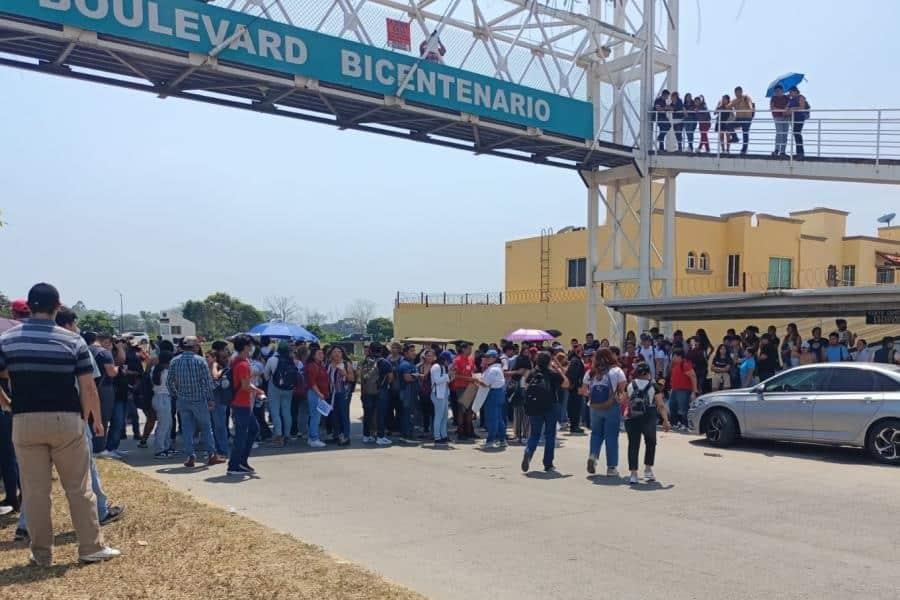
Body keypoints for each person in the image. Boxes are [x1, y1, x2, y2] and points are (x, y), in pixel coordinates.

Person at [0, 283, 121, 565]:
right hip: (66, 418)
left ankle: (41, 554)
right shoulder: (71, 341)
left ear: (29, 307)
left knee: (34, 490)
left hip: (25, 419)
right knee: (78, 487)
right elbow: (88, 387)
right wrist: (88, 416)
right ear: (57, 307)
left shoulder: (8, 340)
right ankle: (90, 547)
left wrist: (7, 402)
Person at [166, 336, 222, 468]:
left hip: (183, 399)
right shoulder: (200, 361)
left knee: (187, 428)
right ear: (195, 347)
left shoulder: (174, 361)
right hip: (199, 399)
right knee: (206, 427)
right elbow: (207, 383)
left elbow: (169, 382)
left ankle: (190, 455)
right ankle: (211, 454)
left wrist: (176, 394)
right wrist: (210, 399)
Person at [521, 351, 569, 473]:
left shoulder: (532, 373)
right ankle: (548, 464)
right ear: (549, 361)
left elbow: (525, 386)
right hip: (550, 406)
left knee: (535, 434)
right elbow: (566, 384)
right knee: (550, 436)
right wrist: (558, 369)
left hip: (534, 406)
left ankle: (528, 452)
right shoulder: (553, 373)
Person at [583, 348, 627, 477]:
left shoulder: (591, 372)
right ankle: (611, 467)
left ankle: (593, 456)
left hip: (594, 407)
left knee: (596, 434)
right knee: (611, 437)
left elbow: (584, 390)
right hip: (611, 407)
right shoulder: (616, 371)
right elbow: (622, 388)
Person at [624, 363, 670, 485]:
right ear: (646, 373)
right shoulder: (654, 386)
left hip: (632, 417)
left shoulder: (630, 385)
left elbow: (624, 400)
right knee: (650, 443)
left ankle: (633, 474)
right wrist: (665, 420)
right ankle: (648, 470)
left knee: (633, 445)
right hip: (648, 416)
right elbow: (660, 404)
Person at [227, 335, 262, 476]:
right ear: (246, 347)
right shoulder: (243, 364)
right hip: (241, 403)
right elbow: (245, 386)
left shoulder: (237, 361)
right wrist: (258, 391)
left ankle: (241, 461)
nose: (252, 347)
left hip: (241, 403)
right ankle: (234, 465)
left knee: (252, 430)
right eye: (251, 345)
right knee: (242, 435)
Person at [88, 333, 119, 455]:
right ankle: (99, 448)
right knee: (102, 418)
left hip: (87, 386)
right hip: (104, 388)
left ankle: (90, 445)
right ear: (106, 341)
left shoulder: (86, 349)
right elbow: (111, 372)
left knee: (88, 418)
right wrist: (118, 368)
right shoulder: (105, 353)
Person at [266, 342, 298, 447]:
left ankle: (278, 436)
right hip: (289, 388)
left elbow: (266, 375)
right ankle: (287, 435)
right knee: (286, 411)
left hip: (274, 387)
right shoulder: (291, 360)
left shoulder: (272, 359)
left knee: (275, 412)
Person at [475, 349, 507, 448]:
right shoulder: (496, 367)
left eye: (489, 357)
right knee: (499, 418)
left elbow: (485, 384)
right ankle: (502, 439)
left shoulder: (493, 369)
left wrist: (476, 380)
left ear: (494, 358)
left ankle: (490, 440)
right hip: (498, 393)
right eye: (486, 357)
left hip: (493, 394)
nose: (486, 358)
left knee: (492, 419)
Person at [150, 351, 175, 458]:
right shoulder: (167, 372)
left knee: (167, 424)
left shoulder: (154, 369)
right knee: (164, 426)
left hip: (158, 397)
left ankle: (166, 446)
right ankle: (159, 449)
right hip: (164, 398)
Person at [209, 343, 232, 456]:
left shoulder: (222, 364)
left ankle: (222, 449)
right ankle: (219, 447)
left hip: (220, 397)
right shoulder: (219, 364)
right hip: (218, 397)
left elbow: (215, 376)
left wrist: (214, 365)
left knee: (219, 425)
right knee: (218, 424)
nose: (227, 352)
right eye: (224, 349)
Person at [668, 347, 698, 431]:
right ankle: (674, 423)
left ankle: (685, 424)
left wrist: (694, 391)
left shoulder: (685, 364)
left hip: (683, 390)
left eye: (673, 356)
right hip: (674, 389)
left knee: (683, 408)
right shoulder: (675, 365)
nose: (672, 358)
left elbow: (693, 376)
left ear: (679, 356)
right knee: (672, 406)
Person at [451, 343, 476, 440]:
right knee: (461, 410)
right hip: (460, 387)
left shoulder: (471, 359)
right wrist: (468, 378)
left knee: (469, 410)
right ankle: (460, 432)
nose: (470, 351)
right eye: (469, 349)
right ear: (463, 349)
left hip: (470, 387)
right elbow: (455, 375)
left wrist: (474, 377)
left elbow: (472, 371)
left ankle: (469, 431)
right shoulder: (457, 360)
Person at [305, 348, 328, 449]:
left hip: (317, 393)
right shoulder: (312, 366)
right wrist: (319, 393)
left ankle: (312, 437)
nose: (322, 355)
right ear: (313, 355)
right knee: (315, 417)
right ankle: (314, 438)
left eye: (322, 353)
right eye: (319, 353)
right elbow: (312, 382)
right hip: (315, 394)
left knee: (315, 416)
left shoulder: (319, 365)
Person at [430, 351, 454, 444]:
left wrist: (451, 375)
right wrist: (448, 375)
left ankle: (443, 435)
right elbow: (437, 381)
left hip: (443, 393)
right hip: (437, 394)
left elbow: (446, 381)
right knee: (439, 416)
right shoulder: (436, 367)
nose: (449, 362)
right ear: (444, 359)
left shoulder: (443, 367)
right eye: (448, 360)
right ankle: (437, 437)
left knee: (444, 416)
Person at [728, 86, 755, 155]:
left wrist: (750, 107)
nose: (737, 94)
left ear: (741, 92)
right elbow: (728, 106)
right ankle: (735, 137)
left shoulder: (746, 97)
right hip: (739, 118)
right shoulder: (735, 100)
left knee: (745, 133)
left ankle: (744, 149)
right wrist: (735, 103)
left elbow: (750, 105)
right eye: (736, 92)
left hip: (747, 118)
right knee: (729, 125)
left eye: (738, 92)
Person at [786, 86, 809, 157]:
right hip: (793, 119)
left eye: (790, 92)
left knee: (797, 133)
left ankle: (800, 152)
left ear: (795, 91)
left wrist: (793, 108)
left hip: (799, 118)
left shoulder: (800, 97)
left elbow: (802, 107)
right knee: (796, 134)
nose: (790, 93)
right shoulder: (791, 100)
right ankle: (798, 152)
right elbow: (787, 109)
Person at [769, 84, 790, 157]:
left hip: (786, 117)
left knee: (785, 134)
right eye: (776, 91)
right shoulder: (773, 98)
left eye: (778, 91)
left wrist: (786, 110)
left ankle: (783, 151)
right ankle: (776, 150)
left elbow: (789, 106)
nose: (777, 92)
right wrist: (782, 110)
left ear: (782, 91)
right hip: (777, 117)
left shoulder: (786, 98)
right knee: (779, 133)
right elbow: (772, 108)